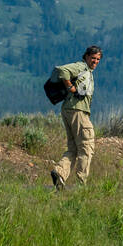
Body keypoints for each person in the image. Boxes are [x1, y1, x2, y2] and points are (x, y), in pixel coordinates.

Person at [50, 46, 102, 190]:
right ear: (86, 56)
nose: (95, 61)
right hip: (78, 111)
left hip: (69, 110)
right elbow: (62, 70)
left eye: (98, 59)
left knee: (73, 147)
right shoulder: (81, 67)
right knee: (87, 147)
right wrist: (71, 88)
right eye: (93, 58)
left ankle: (59, 173)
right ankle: (81, 185)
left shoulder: (87, 71)